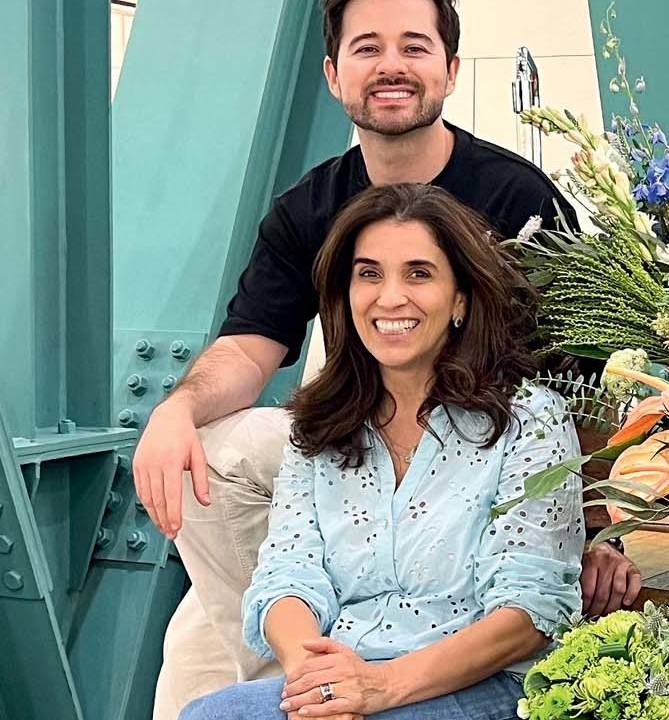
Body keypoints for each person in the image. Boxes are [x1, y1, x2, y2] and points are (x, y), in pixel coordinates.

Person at [137, 0, 640, 715]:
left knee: (207, 669)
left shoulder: (516, 197)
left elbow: (585, 381)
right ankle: (304, 669)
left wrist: (594, 532)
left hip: (503, 474)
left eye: (414, 46)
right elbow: (250, 346)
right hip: (366, 440)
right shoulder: (307, 210)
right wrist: (175, 410)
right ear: (334, 74)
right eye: (368, 48)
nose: (392, 66)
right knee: (210, 466)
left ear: (451, 69)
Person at [179, 183, 584, 720]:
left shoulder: (529, 421)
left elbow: (528, 613)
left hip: (486, 686)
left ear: (461, 297)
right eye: (369, 274)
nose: (390, 297)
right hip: (352, 671)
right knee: (211, 716)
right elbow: (288, 576)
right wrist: (319, 684)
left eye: (419, 273)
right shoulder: (320, 427)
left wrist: (383, 687)